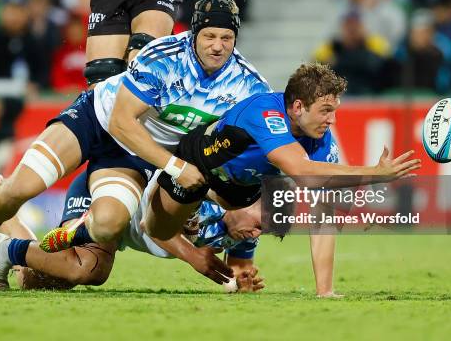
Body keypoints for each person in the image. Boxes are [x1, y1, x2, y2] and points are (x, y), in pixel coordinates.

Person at [0, 0, 272, 293]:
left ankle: (37, 234)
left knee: (107, 228)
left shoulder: (247, 85)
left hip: (134, 155)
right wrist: (174, 166)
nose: (218, 45)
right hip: (97, 120)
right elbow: (120, 122)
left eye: (226, 38)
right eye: (209, 36)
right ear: (193, 35)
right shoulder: (164, 57)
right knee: (20, 190)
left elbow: (252, 154)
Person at [137, 62, 421, 296]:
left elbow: (324, 218)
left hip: (239, 193)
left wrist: (325, 291)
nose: (332, 120)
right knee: (156, 228)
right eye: (325, 110)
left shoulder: (321, 143)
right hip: (195, 169)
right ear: (298, 107)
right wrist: (374, 173)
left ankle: (196, 220)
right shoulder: (265, 113)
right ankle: (146, 196)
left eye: (334, 111)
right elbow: (302, 171)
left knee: (258, 218)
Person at [0, 172, 268, 293]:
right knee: (88, 270)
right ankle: (4, 241)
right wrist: (193, 255)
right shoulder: (203, 190)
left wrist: (241, 281)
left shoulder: (245, 231)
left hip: (121, 228)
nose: (258, 230)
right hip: (110, 195)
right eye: (260, 220)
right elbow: (152, 226)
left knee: (34, 280)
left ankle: (1, 206)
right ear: (247, 197)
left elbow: (236, 270)